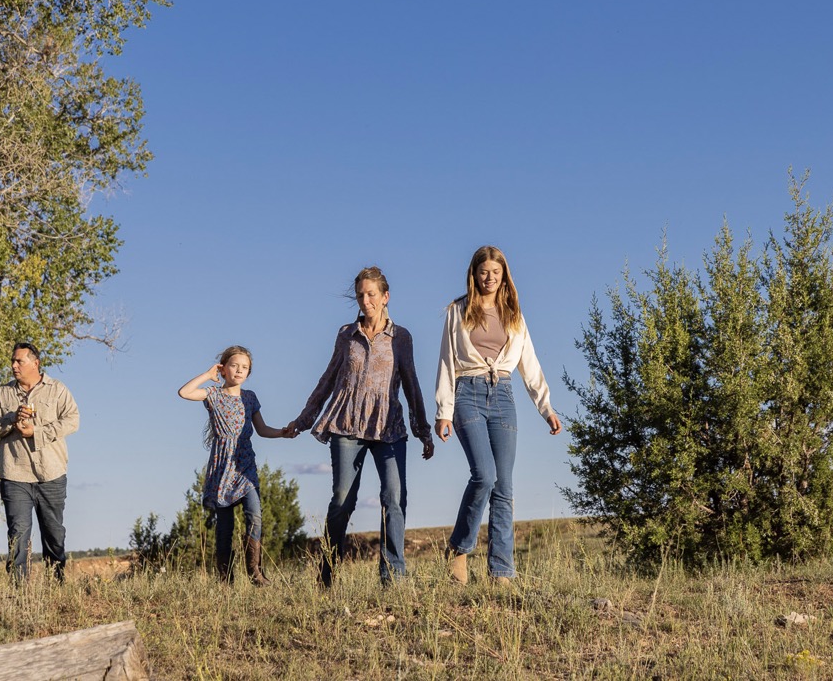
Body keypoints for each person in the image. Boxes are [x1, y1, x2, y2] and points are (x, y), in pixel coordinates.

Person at [286, 266, 435, 586]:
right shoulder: (345, 335)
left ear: (385, 297)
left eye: (371, 294)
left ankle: (392, 577)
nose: (365, 300)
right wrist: (303, 420)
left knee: (394, 498)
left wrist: (423, 430)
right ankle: (326, 575)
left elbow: (411, 384)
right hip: (347, 425)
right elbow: (328, 379)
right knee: (343, 499)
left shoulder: (401, 337)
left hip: (389, 428)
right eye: (360, 295)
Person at [435, 246, 561, 585]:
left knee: (504, 486)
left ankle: (502, 571)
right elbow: (447, 361)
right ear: (474, 274)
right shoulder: (457, 311)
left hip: (503, 396)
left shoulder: (514, 314)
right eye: (483, 272)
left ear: (504, 275)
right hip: (467, 395)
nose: (489, 277)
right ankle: (459, 551)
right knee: (484, 475)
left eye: (496, 272)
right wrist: (443, 411)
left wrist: (545, 407)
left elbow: (529, 363)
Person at [179, 346, 295, 585]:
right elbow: (184, 392)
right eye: (234, 365)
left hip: (245, 464)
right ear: (223, 369)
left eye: (245, 367)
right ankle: (225, 579)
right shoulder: (213, 394)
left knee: (255, 514)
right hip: (222, 465)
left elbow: (262, 430)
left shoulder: (250, 397)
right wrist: (208, 374)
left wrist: (282, 434)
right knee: (225, 526)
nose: (239, 370)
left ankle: (255, 572)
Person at [0, 341, 81, 583]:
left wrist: (36, 432)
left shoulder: (57, 390)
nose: (14, 366)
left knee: (54, 533)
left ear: (35, 363)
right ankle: (20, 593)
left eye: (19, 361)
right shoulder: (2, 393)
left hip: (52, 474)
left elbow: (73, 421)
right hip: (15, 475)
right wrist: (11, 419)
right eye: (13, 361)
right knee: (18, 535)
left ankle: (55, 584)